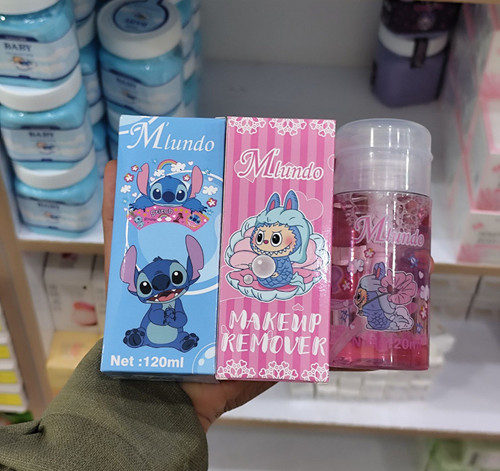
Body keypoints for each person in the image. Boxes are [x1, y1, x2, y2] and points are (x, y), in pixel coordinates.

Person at [0, 161, 275, 470]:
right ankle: (144, 340)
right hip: (149, 383)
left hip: (152, 394)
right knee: (151, 331)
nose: (165, 289)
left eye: (176, 277)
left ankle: (163, 342)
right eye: (147, 286)